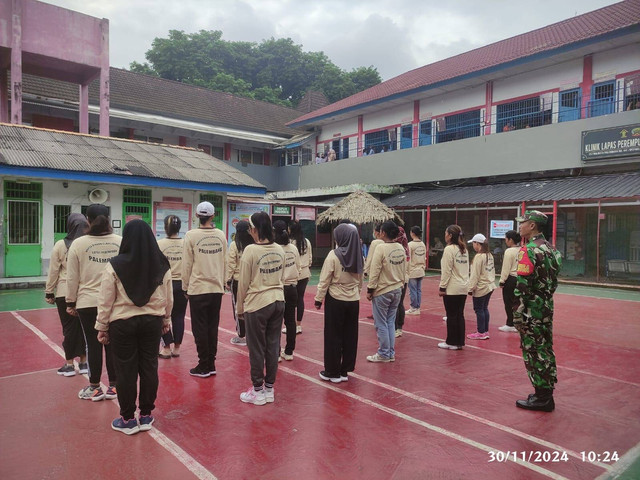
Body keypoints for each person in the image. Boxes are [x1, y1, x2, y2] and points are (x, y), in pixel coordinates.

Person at [95, 220, 173, 435]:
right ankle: (146, 414)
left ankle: (128, 418)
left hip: (122, 323)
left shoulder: (115, 264)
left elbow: (106, 299)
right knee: (149, 366)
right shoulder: (161, 263)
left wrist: (102, 326)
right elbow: (169, 297)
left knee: (125, 370)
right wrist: (166, 320)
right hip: (152, 322)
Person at [66, 204, 121, 400]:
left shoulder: (78, 244)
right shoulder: (120, 242)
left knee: (93, 344)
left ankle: (95, 386)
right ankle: (115, 386)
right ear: (108, 218)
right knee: (113, 344)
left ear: (87, 220)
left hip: (88, 302)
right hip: (115, 302)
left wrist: (70, 302)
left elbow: (72, 277)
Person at [513, 211, 562, 412]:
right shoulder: (552, 250)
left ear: (532, 225)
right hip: (546, 307)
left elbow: (523, 286)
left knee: (533, 351)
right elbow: (553, 281)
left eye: (523, 223)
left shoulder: (528, 250)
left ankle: (543, 398)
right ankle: (544, 393)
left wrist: (517, 313)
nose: (520, 226)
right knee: (545, 348)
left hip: (531, 309)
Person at [236, 212, 285, 406]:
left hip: (257, 304)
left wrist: (240, 308)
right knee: (273, 347)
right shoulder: (279, 249)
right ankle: (269, 389)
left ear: (254, 229)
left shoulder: (251, 251)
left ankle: (257, 390)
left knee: (256, 348)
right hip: (277, 300)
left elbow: (243, 284)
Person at [182, 201, 227, 378]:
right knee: (212, 326)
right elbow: (224, 261)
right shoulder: (220, 235)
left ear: (197, 216)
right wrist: (223, 283)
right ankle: (211, 363)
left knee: (199, 328)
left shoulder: (191, 236)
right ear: (213, 216)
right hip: (216, 288)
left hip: (198, 289)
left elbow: (186, 264)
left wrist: (185, 286)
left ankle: (203, 365)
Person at [315, 224, 363, 382]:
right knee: (350, 335)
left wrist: (318, 298)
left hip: (336, 299)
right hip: (353, 300)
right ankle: (345, 370)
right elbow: (361, 280)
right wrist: (357, 292)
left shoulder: (333, 255)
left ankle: (332, 371)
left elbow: (325, 279)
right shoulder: (359, 255)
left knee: (333, 335)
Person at [45, 213, 89, 376]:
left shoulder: (60, 245)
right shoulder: (88, 244)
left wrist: (49, 291)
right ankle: (84, 363)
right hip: (84, 293)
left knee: (69, 329)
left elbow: (53, 271)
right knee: (84, 329)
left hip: (64, 293)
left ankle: (69, 364)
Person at [366, 221, 406, 362]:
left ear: (383, 233)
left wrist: (370, 289)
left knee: (381, 323)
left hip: (383, 290)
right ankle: (390, 353)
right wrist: (401, 284)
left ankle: (384, 353)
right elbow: (404, 268)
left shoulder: (381, 248)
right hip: (397, 289)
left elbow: (375, 270)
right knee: (390, 322)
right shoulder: (400, 247)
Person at [157, 215, 188, 358]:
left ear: (165, 227)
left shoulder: (159, 244)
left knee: (164, 316)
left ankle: (167, 347)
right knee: (179, 316)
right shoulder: (186, 244)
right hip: (182, 284)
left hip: (165, 284)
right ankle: (177, 348)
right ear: (179, 227)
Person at [438, 225, 469, 350]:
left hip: (453, 287)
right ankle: (459, 341)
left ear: (450, 235)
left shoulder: (449, 249)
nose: (444, 235)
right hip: (463, 286)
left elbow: (446, 270)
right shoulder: (464, 249)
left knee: (451, 315)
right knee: (459, 315)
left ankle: (451, 342)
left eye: (445, 233)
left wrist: (442, 287)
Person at [274, 220, 300, 361]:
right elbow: (298, 266)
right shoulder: (293, 248)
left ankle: (276, 353)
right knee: (290, 322)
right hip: (292, 288)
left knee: (275, 323)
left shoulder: (275, 249)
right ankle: (289, 352)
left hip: (279, 289)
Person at [225, 220, 254, 346]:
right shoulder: (254, 244)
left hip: (238, 281)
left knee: (238, 308)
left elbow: (231, 263)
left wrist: (227, 279)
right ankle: (252, 334)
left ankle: (242, 335)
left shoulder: (235, 245)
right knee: (252, 307)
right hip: (252, 281)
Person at [466, 233, 496, 340]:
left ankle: (480, 332)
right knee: (484, 308)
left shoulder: (479, 257)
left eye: (473, 243)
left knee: (479, 309)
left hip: (481, 287)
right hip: (490, 285)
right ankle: (485, 330)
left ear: (477, 244)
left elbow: (475, 275)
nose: (473, 245)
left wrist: (470, 288)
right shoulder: (489, 255)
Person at [287, 220, 312, 335]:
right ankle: (298, 325)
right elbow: (310, 258)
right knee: (300, 299)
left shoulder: (290, 243)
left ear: (291, 229)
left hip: (294, 275)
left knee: (290, 301)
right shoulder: (306, 241)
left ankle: (290, 326)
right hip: (305, 273)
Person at [498, 230, 521, 333]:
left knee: (508, 302)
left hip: (511, 279)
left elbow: (506, 268)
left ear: (510, 240)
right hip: (520, 279)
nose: (505, 240)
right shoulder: (522, 249)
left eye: (506, 239)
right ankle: (519, 323)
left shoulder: (509, 251)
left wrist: (502, 281)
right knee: (518, 302)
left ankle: (510, 324)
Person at [406, 226, 427, 316]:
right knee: (418, 290)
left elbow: (408, 258)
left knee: (413, 290)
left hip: (413, 270)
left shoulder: (410, 245)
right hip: (421, 270)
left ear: (412, 233)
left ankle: (413, 308)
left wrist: (407, 271)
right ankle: (417, 307)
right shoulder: (422, 244)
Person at [394, 226, 410, 338]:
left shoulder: (396, 249)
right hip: (404, 279)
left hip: (396, 279)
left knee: (395, 305)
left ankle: (396, 327)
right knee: (400, 303)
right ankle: (399, 327)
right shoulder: (406, 248)